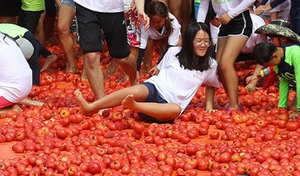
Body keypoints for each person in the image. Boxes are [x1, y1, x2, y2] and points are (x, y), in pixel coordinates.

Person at [75, 21, 219, 122]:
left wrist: (209, 106)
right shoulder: (174, 52)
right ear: (189, 41)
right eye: (199, 41)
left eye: (206, 41)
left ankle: (135, 106)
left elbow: (211, 83)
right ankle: (91, 107)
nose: (203, 45)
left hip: (167, 107)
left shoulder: (210, 64)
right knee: (137, 90)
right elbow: (159, 73)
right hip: (155, 88)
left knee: (176, 110)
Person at [196, 0, 255, 111]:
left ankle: (235, 105)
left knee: (226, 63)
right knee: (218, 64)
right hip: (224, 24)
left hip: (240, 21)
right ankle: (233, 100)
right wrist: (201, 28)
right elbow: (204, 5)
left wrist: (232, 13)